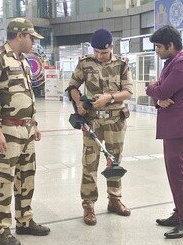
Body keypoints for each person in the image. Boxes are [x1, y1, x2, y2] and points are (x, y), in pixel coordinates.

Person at [0, 17, 49, 245]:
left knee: (26, 178)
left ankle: (24, 220)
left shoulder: (22, 60)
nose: (34, 42)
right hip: (8, 131)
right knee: (4, 180)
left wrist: (34, 124)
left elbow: (25, 94)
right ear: (20, 35)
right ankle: (1, 228)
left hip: (27, 130)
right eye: (32, 38)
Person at [67, 28, 133, 226]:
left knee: (114, 161)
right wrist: (78, 103)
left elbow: (128, 91)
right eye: (96, 51)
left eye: (103, 52)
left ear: (111, 47)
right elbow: (72, 87)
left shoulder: (122, 64)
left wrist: (109, 97)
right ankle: (88, 205)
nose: (99, 56)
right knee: (90, 162)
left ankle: (114, 199)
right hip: (92, 122)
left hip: (115, 121)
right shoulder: (85, 63)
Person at [145, 25, 183, 239]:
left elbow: (162, 90)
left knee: (178, 174)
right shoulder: (172, 62)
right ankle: (179, 213)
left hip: (179, 126)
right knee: (173, 173)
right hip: (173, 126)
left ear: (170, 45)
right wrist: (158, 95)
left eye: (158, 47)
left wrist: (153, 90)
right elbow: (162, 93)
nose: (156, 51)